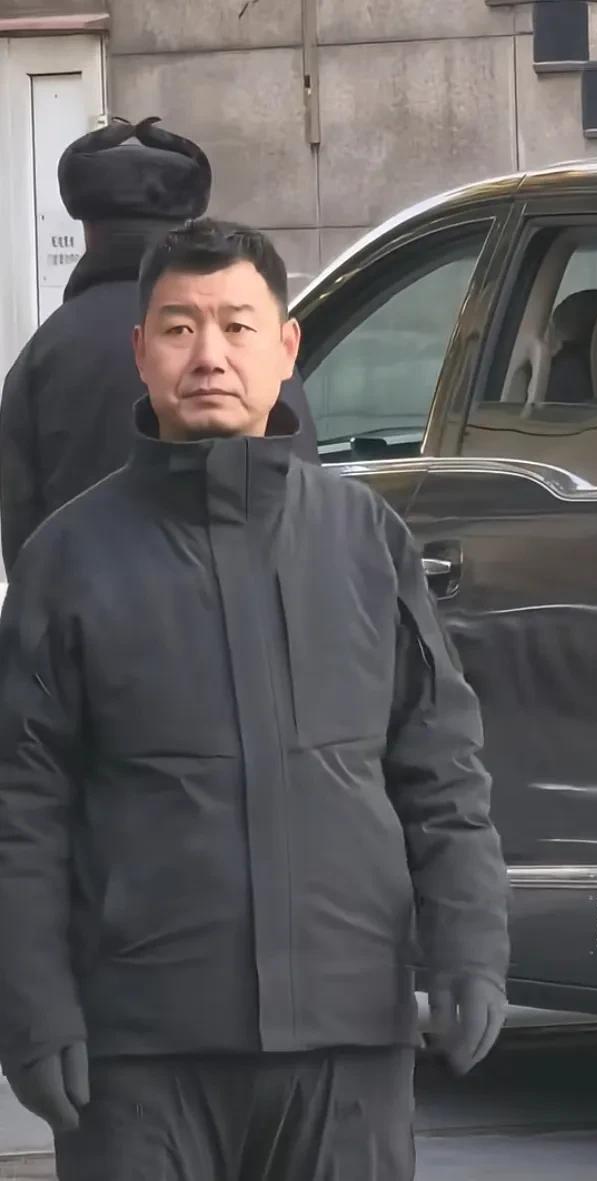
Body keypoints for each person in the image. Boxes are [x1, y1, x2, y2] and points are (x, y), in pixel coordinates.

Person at [0, 218, 509, 1181]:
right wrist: (34, 1006)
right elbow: (22, 806)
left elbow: (441, 769)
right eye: (180, 328)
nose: (210, 355)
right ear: (140, 351)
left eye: (237, 326)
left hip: (348, 1040)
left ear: (286, 347)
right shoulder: (66, 560)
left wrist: (469, 946)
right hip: (138, 1052)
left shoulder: (366, 541)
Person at [0, 116, 320, 573]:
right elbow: (302, 496)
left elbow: (23, 545)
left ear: (88, 230)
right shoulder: (250, 344)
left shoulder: (43, 355)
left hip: (88, 603)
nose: (206, 360)